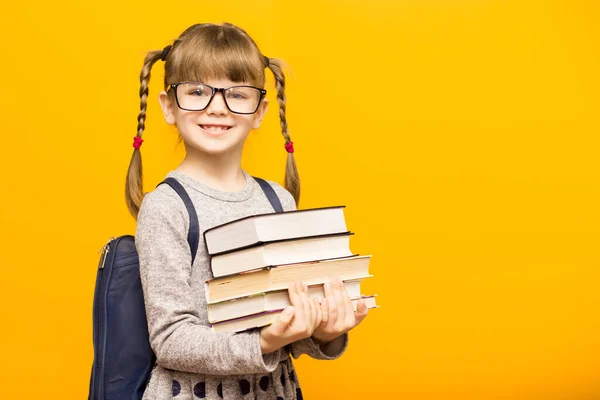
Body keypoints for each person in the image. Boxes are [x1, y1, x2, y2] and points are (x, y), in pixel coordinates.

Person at [126, 22, 369, 400]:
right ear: (168, 106)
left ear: (260, 111)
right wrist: (264, 342)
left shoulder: (278, 201)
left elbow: (289, 326)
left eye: (237, 95)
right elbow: (171, 339)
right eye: (196, 91)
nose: (217, 107)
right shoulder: (167, 207)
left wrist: (324, 330)